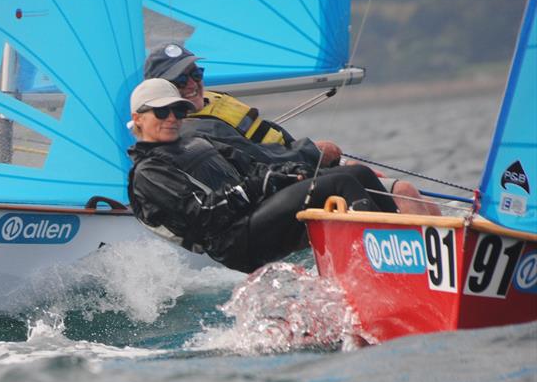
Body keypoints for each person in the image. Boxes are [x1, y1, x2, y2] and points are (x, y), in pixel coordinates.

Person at [127, 79, 399, 273]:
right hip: (234, 240)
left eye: (178, 110)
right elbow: (204, 215)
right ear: (138, 118)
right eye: (162, 112)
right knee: (341, 184)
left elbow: (252, 167)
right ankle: (381, 269)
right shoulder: (148, 172)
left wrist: (290, 173)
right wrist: (259, 186)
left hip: (256, 215)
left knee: (357, 173)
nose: (172, 118)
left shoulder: (196, 140)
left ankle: (410, 249)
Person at [143, 43, 441, 216]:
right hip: (279, 186)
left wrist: (313, 154)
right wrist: (312, 154)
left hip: (296, 167)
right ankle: (421, 273)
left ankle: (453, 264)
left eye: (196, 73)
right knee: (403, 191)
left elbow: (270, 141)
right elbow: (258, 162)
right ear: (161, 90)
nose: (194, 83)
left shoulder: (216, 101)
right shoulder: (191, 127)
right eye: (182, 80)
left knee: (412, 195)